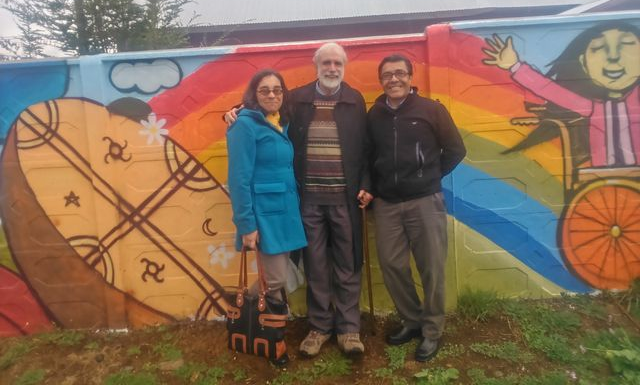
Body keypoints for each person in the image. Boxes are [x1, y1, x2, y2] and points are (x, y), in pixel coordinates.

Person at [225, 43, 372, 357]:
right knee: (316, 266)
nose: (332, 68)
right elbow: (264, 107)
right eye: (326, 63)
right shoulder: (299, 98)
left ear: (343, 66)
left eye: (337, 63)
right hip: (307, 200)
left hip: (345, 198)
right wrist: (236, 110)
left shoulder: (354, 100)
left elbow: (366, 148)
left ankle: (349, 329)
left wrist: (365, 184)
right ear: (316, 65)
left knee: (347, 265)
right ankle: (319, 328)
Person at [367, 54, 466, 362]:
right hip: (387, 204)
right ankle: (412, 321)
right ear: (381, 80)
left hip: (425, 201)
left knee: (432, 268)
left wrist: (428, 177)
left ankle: (433, 331)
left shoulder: (432, 110)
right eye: (387, 75)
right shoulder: (374, 115)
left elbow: (455, 150)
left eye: (399, 73)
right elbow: (368, 156)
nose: (393, 79)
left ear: (410, 77)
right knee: (392, 266)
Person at [226, 69, 308, 366]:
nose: (272, 95)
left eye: (277, 90)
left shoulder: (280, 123)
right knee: (274, 281)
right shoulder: (244, 126)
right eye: (264, 91)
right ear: (253, 95)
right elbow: (238, 179)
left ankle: (256, 320)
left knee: (278, 278)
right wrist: (247, 225)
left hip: (285, 213)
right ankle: (272, 343)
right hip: (264, 218)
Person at [482, 22, 640, 167]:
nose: (613, 56)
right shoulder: (592, 108)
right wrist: (515, 66)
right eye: (599, 47)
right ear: (583, 63)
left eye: (626, 44)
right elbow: (550, 90)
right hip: (603, 177)